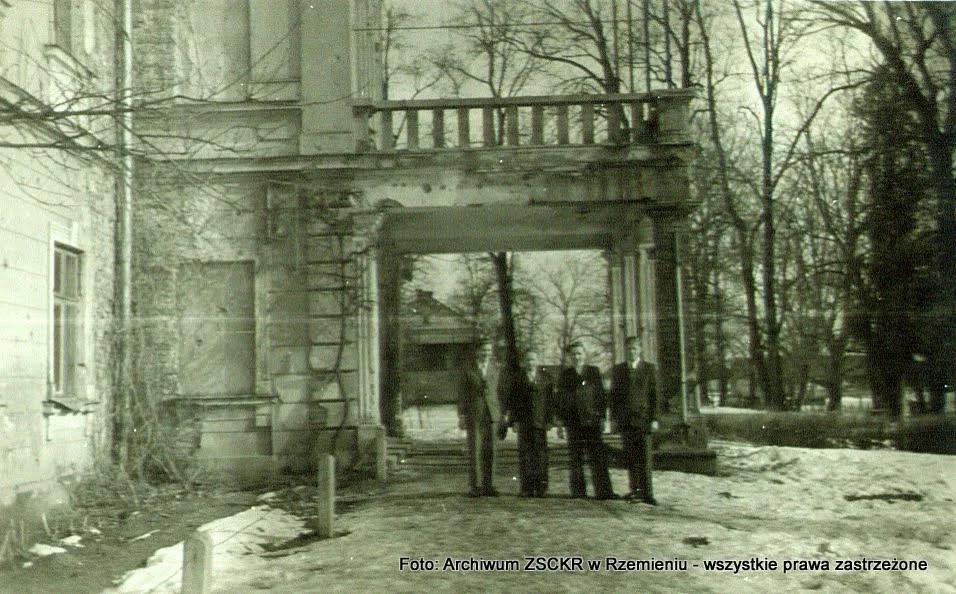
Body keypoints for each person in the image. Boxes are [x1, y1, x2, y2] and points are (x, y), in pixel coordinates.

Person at [556, 341, 616, 500]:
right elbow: (561, 400)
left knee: (597, 456)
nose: (577, 357)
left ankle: (604, 492)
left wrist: (603, 417)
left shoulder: (593, 372)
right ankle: (577, 492)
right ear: (570, 356)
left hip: (592, 422)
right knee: (575, 457)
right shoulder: (566, 375)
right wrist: (561, 422)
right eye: (574, 354)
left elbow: (601, 396)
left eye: (580, 354)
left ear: (585, 355)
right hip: (573, 422)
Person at [609, 336, 659, 505]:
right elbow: (614, 396)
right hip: (626, 420)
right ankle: (635, 490)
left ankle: (647, 493)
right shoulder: (619, 370)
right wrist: (614, 418)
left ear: (640, 350)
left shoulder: (649, 369)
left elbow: (655, 396)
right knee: (630, 457)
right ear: (626, 350)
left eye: (635, 349)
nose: (632, 352)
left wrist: (654, 418)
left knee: (645, 457)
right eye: (629, 349)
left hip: (644, 420)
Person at [458, 340, 503, 497]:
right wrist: (462, 415)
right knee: (475, 449)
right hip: (474, 414)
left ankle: (489, 485)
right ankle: (475, 486)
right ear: (477, 352)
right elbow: (462, 394)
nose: (486, 353)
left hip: (492, 414)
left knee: (491, 450)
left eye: (488, 351)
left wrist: (501, 413)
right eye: (483, 350)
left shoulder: (496, 369)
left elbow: (500, 392)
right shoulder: (468, 370)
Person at [504, 350, 552, 497]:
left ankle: (541, 488)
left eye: (533, 360)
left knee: (541, 455)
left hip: (539, 422)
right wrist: (514, 421)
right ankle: (526, 488)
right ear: (524, 362)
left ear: (538, 361)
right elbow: (512, 401)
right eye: (528, 360)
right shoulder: (517, 378)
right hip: (524, 423)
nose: (530, 363)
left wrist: (550, 420)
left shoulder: (545, 378)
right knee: (525, 455)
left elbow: (550, 401)